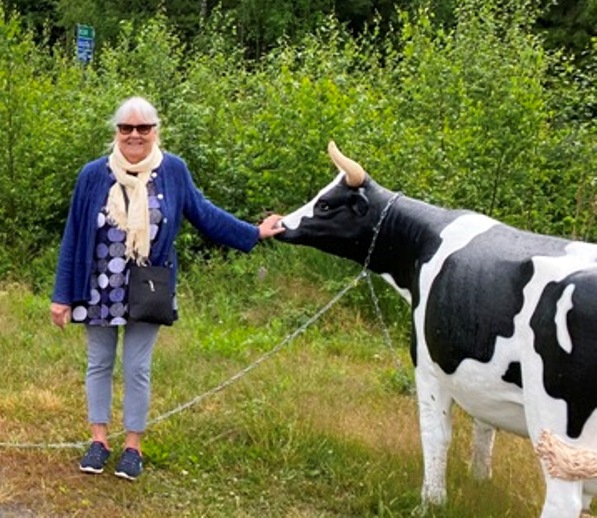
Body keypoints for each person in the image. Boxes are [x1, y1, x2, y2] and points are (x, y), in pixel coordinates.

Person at [50, 96, 284, 481]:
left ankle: (133, 447)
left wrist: (253, 232)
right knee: (99, 363)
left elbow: (205, 214)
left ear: (156, 131)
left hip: (149, 287)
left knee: (137, 366)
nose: (135, 135)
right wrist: (61, 295)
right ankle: (98, 440)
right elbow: (74, 234)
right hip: (97, 288)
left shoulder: (173, 171)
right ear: (116, 132)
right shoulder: (92, 174)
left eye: (143, 128)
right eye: (127, 128)